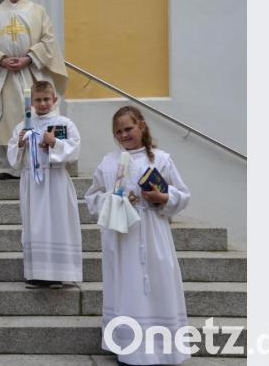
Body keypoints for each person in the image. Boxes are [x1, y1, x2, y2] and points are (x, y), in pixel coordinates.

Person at [84, 106, 191, 365]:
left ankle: (163, 349)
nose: (123, 135)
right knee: (127, 287)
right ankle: (129, 348)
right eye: (118, 131)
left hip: (153, 232)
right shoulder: (108, 163)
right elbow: (92, 197)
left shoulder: (161, 160)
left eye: (128, 129)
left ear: (141, 126)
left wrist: (163, 197)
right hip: (120, 238)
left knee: (157, 283)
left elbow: (183, 195)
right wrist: (114, 200)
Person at [0, 0, 68, 179]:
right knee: (6, 119)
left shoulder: (38, 11)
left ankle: (38, 160)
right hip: (5, 75)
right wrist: (1, 59)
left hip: (31, 73)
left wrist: (29, 58)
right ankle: (9, 166)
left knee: (35, 114)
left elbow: (49, 40)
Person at [7, 80, 82, 289]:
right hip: (33, 182)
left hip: (55, 180)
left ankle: (59, 273)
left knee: (58, 223)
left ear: (54, 100)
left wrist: (54, 142)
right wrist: (20, 144)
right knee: (34, 226)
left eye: (46, 99)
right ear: (31, 103)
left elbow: (74, 150)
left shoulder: (64, 123)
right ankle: (36, 273)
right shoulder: (23, 126)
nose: (42, 104)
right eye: (38, 100)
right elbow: (13, 157)